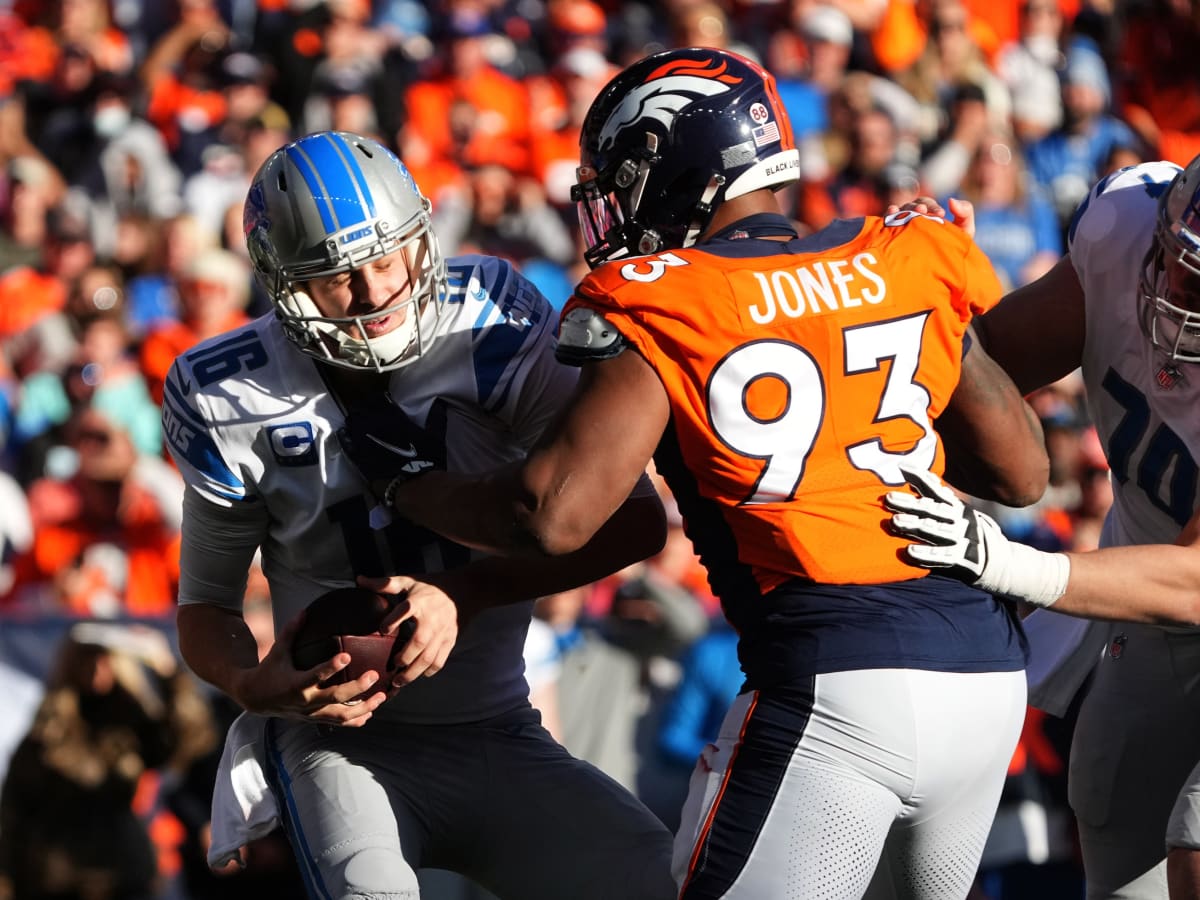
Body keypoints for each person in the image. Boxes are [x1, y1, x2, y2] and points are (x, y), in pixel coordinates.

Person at [357, 47, 1051, 899]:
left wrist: (408, 484)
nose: (610, 207)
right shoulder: (905, 253)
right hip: (983, 681)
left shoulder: (661, 291)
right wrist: (939, 305)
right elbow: (1021, 473)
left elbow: (552, 513)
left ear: (680, 166)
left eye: (620, 177)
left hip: (834, 682)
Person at [165, 130, 675, 900]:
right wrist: (250, 683)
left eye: (384, 258)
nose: (373, 293)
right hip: (343, 749)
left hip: (501, 727)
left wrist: (464, 595)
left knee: (656, 880)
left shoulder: (489, 319)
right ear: (281, 281)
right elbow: (207, 605)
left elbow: (633, 520)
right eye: (335, 277)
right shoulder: (228, 394)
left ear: (421, 236)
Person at [889, 152, 1200, 900]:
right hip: (1149, 601)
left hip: (1179, 584)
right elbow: (987, 377)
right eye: (1179, 260)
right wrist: (927, 305)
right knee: (1110, 804)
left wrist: (1011, 564)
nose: (1178, 289)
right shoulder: (1125, 228)